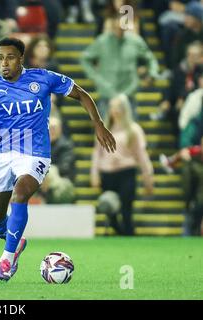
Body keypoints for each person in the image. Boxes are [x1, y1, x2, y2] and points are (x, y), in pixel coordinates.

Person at [0, 37, 116, 281]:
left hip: (35, 154)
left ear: (21, 59)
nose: (4, 63)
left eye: (10, 57)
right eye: (0, 58)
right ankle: (16, 241)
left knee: (20, 193)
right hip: (5, 155)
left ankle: (6, 260)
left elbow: (82, 95)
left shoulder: (43, 78)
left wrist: (98, 124)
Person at [91, 94, 154, 236]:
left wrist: (148, 176)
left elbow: (142, 155)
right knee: (109, 210)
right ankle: (121, 233)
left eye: (119, 107)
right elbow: (97, 153)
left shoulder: (134, 130)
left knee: (126, 210)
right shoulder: (104, 128)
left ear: (125, 109)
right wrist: (94, 173)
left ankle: (129, 235)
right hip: (107, 173)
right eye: (113, 107)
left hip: (126, 172)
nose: (115, 110)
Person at [80, 16, 160, 118]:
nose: (119, 28)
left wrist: (152, 74)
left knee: (130, 131)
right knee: (105, 131)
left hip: (128, 93)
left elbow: (151, 59)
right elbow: (85, 58)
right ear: (112, 24)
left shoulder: (135, 41)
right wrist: (95, 77)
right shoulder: (102, 41)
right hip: (107, 92)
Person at [38, 117, 76, 204]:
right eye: (49, 128)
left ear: (60, 129)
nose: (52, 130)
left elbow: (64, 167)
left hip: (61, 180)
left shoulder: (66, 145)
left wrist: (47, 174)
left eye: (54, 128)